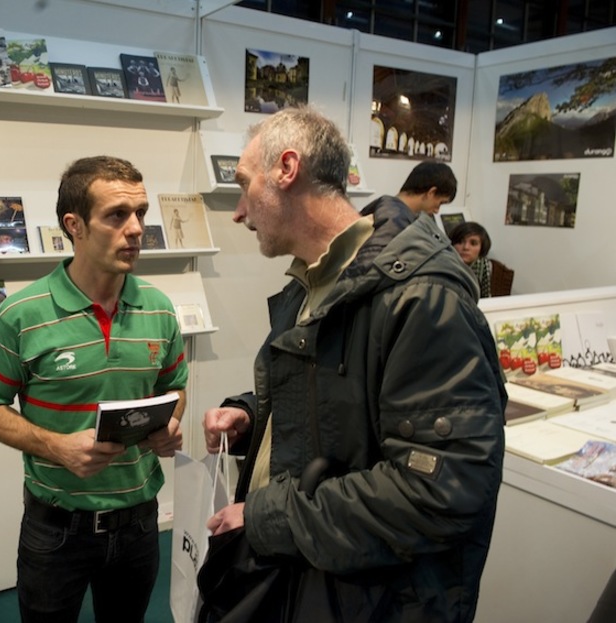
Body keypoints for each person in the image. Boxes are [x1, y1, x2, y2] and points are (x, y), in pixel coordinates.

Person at [201, 106, 506, 622]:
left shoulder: (421, 298)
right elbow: (343, 407)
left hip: (370, 598)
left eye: (244, 184)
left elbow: (440, 490)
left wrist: (266, 516)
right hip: (309, 580)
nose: (238, 211)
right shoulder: (319, 280)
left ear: (287, 169)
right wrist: (255, 416)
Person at [0, 155, 188, 623]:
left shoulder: (160, 309)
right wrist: (57, 447)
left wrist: (170, 424)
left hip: (139, 523)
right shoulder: (22, 313)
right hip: (56, 528)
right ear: (75, 226)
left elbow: (174, 386)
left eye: (141, 213)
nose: (135, 229)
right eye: (116, 215)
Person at [360, 159, 457, 218]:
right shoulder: (395, 219)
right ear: (431, 192)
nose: (437, 211)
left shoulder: (382, 206)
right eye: (440, 203)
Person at [450, 221, 493, 298]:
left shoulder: (485, 266)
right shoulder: (443, 263)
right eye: (460, 242)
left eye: (473, 243)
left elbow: (485, 296)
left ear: (481, 248)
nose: (466, 247)